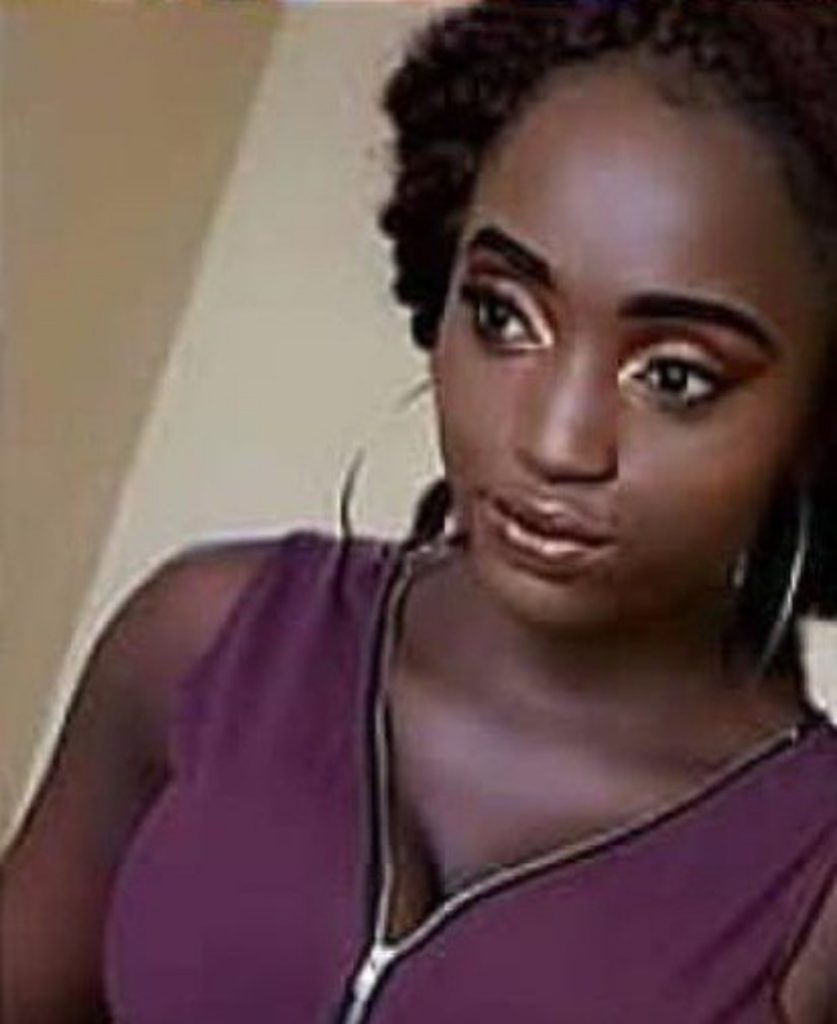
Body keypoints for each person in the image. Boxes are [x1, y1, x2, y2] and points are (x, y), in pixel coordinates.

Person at [3, 0, 837, 1020]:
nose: (556, 442)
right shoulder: (205, 640)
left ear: (818, 415)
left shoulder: (815, 884)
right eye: (503, 315)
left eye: (674, 376)